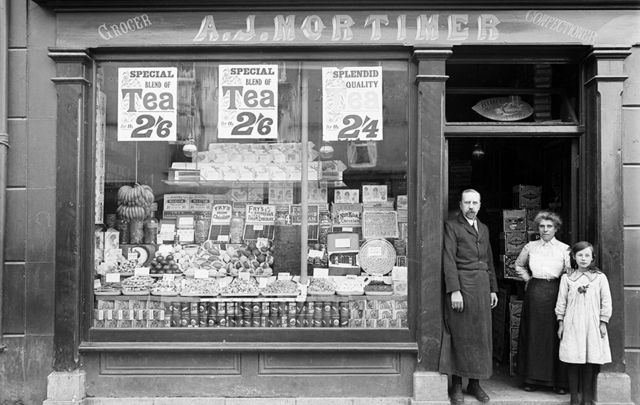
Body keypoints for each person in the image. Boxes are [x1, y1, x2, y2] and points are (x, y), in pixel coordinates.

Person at [440, 189, 498, 404]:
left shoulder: (483, 228)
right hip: (462, 286)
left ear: (480, 205)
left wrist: (493, 288)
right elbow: (448, 259)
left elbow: (489, 260)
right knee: (461, 335)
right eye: (467, 203)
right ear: (461, 204)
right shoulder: (452, 226)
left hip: (482, 287)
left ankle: (475, 383)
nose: (471, 207)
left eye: (475, 202)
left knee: (481, 335)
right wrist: (454, 290)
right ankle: (456, 384)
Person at [515, 211, 570, 393]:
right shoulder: (530, 247)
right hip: (535, 291)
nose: (545, 230)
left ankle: (558, 382)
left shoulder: (564, 249)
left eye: (549, 226)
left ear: (556, 229)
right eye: (542, 226)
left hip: (555, 291)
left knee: (554, 335)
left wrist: (563, 288)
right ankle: (531, 379)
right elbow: (518, 264)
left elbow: (569, 273)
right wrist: (528, 279)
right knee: (533, 334)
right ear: (537, 228)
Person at [555, 241, 612, 405]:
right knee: (573, 359)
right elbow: (561, 302)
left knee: (589, 360)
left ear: (592, 257)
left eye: (587, 255)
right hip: (573, 323)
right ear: (574, 257)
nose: (583, 258)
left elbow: (606, 301)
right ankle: (574, 398)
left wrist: (603, 322)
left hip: (592, 324)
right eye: (580, 255)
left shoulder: (600, 278)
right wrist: (561, 323)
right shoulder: (567, 278)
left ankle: (586, 399)